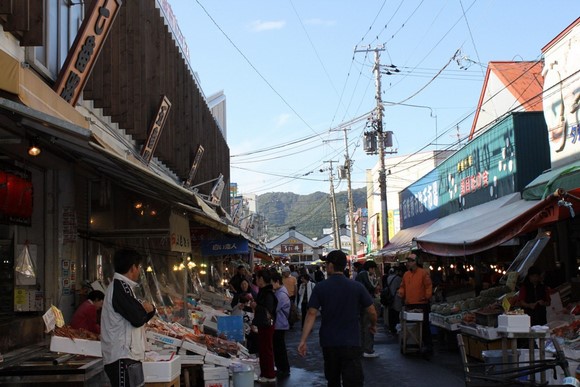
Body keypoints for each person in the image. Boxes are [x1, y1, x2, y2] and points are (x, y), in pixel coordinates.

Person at [298, 250, 377, 387]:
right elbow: (371, 311)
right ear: (344, 266)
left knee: (333, 380)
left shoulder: (321, 287)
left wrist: (303, 340)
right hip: (352, 341)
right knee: (353, 381)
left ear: (330, 266)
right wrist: (373, 325)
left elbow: (311, 313)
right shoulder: (357, 287)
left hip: (329, 342)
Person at [101, 248, 156, 387]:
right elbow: (137, 318)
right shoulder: (120, 288)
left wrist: (148, 311)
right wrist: (150, 311)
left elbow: (136, 313)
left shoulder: (124, 288)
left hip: (127, 356)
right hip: (122, 356)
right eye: (139, 267)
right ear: (133, 268)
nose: (139, 271)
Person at [398, 253, 433, 354]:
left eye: (410, 261)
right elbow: (402, 286)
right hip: (410, 304)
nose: (408, 263)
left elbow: (428, 286)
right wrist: (401, 292)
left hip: (421, 304)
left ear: (416, 262)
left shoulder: (423, 273)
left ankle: (427, 346)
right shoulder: (406, 274)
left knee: (425, 326)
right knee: (412, 326)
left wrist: (426, 296)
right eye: (408, 261)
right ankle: (412, 342)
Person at [251, 269, 278, 383]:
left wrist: (256, 306)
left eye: (257, 278)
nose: (256, 280)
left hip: (267, 324)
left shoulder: (268, 293)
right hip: (264, 324)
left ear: (262, 279)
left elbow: (268, 310)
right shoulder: (264, 291)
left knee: (266, 349)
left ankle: (270, 375)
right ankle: (265, 374)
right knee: (263, 349)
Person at [356, 260, 380, 357]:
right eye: (373, 269)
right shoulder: (364, 275)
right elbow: (371, 287)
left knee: (363, 326)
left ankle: (363, 348)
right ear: (370, 268)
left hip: (361, 304)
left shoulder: (360, 275)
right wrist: (376, 283)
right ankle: (368, 349)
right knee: (368, 326)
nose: (373, 271)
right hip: (366, 304)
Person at [272, 271, 291, 379]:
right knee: (279, 348)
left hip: (280, 324)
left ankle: (284, 369)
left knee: (280, 348)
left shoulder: (281, 294)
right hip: (279, 324)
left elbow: (274, 309)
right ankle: (282, 368)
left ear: (277, 282)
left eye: (272, 283)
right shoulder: (279, 292)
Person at [385, 266, 403, 335]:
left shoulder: (389, 277)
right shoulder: (398, 279)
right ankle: (395, 328)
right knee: (396, 314)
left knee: (391, 313)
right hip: (397, 298)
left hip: (390, 298)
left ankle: (391, 327)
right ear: (397, 271)